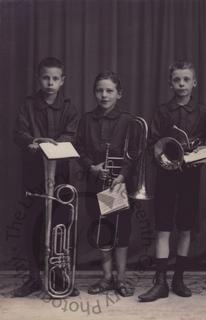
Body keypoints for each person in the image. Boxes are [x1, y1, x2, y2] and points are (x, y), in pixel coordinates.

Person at [138, 61, 206, 302]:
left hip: (191, 175)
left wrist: (201, 151)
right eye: (176, 80)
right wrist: (165, 158)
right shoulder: (162, 111)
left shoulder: (203, 112)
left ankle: (178, 279)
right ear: (170, 83)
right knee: (163, 227)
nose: (181, 84)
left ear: (194, 83)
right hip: (166, 175)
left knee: (185, 227)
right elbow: (153, 143)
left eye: (186, 80)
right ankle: (160, 281)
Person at [12, 57, 79, 297]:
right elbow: (19, 132)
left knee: (59, 225)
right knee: (32, 225)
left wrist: (54, 143)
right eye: (45, 78)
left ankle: (58, 275)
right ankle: (33, 277)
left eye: (55, 78)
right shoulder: (28, 105)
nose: (50, 82)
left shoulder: (69, 108)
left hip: (59, 175)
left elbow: (72, 135)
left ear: (62, 81)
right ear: (38, 79)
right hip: (33, 176)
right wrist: (33, 142)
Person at [76, 71, 135, 297]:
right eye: (100, 90)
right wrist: (91, 167)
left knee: (120, 232)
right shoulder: (86, 120)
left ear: (119, 94)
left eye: (109, 91)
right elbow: (79, 149)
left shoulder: (128, 121)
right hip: (95, 182)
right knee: (102, 231)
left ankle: (121, 278)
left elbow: (134, 153)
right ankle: (106, 277)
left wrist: (122, 175)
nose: (104, 95)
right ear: (94, 93)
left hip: (117, 185)